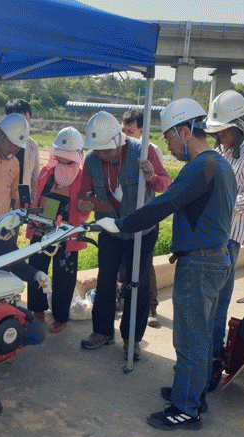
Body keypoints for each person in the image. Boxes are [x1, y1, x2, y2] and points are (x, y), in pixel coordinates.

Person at [96, 98, 237, 430]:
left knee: (190, 339)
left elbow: (165, 203)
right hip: (216, 258)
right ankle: (193, 393)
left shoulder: (200, 166)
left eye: (170, 138)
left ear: (185, 132)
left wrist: (121, 224)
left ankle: (186, 408)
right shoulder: (221, 165)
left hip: (200, 264)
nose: (169, 146)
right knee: (201, 336)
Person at [77, 111, 171, 360]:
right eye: (97, 150)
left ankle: (132, 338)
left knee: (137, 283)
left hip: (142, 229)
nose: (101, 154)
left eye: (105, 150)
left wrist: (150, 176)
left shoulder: (143, 151)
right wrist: (83, 203)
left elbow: (165, 184)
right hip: (110, 229)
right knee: (106, 279)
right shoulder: (91, 160)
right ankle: (103, 331)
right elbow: (83, 195)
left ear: (117, 141)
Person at [205, 90, 244, 391]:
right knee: (208, 299)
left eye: (226, 131)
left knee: (218, 301)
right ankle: (203, 356)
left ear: (240, 128)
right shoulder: (223, 152)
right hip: (214, 233)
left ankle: (212, 362)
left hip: (230, 239)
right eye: (218, 131)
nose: (221, 136)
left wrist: (218, 202)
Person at [25, 127, 89, 334]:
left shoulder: (83, 177)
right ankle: (37, 309)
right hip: (42, 226)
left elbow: (85, 210)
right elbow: (38, 198)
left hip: (68, 232)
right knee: (37, 268)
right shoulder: (47, 171)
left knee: (64, 275)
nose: (62, 163)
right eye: (59, 158)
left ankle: (61, 317)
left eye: (67, 160)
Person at [119, 108, 164, 327]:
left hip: (145, 217)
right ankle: (124, 300)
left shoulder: (150, 150)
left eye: (130, 131)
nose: (126, 135)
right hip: (123, 218)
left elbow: (161, 183)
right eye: (123, 130)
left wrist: (149, 174)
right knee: (124, 264)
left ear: (141, 131)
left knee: (145, 267)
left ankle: (151, 307)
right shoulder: (119, 149)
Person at [0, 99, 40, 203]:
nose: (22, 123)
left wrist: (33, 203)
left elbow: (35, 179)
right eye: (17, 118)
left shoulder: (32, 146)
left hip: (20, 198)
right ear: (6, 118)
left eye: (25, 118)